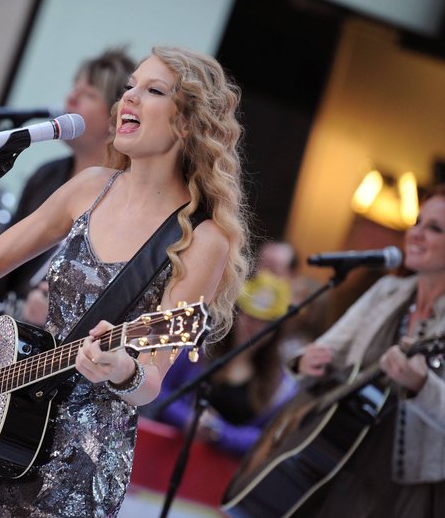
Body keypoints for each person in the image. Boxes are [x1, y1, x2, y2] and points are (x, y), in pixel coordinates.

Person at [0, 45, 250, 517]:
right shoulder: (91, 187)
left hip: (82, 457)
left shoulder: (203, 239)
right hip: (7, 426)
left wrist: (122, 370)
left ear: (187, 123)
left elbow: (152, 380)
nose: (129, 98)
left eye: (153, 91)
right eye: (130, 87)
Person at [292, 184, 445, 517]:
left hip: (407, 488)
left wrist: (423, 388)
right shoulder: (389, 290)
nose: (416, 233)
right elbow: (326, 349)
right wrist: (306, 363)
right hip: (338, 456)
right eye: (418, 221)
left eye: (434, 228)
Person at [0, 47, 136, 323]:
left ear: (114, 120)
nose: (70, 98)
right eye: (74, 88)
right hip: (2, 328)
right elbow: (3, 270)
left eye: (88, 95)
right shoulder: (47, 175)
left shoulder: (125, 196)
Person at [150, 270, 297, 457]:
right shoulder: (198, 349)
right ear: (237, 313)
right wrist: (187, 418)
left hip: (217, 473)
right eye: (249, 316)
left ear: (275, 330)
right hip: (164, 452)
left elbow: (267, 438)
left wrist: (219, 433)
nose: (253, 327)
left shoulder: (280, 385)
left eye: (264, 322)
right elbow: (157, 389)